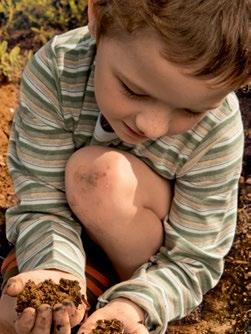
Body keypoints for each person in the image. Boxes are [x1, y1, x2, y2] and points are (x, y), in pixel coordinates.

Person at [0, 0, 249, 333]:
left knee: (100, 177)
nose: (152, 126)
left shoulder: (218, 129)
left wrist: (135, 305)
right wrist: (56, 273)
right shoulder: (58, 71)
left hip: (151, 266)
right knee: (15, 314)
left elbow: (193, 258)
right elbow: (42, 204)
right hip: (60, 237)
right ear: (98, 16)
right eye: (133, 90)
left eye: (191, 111)